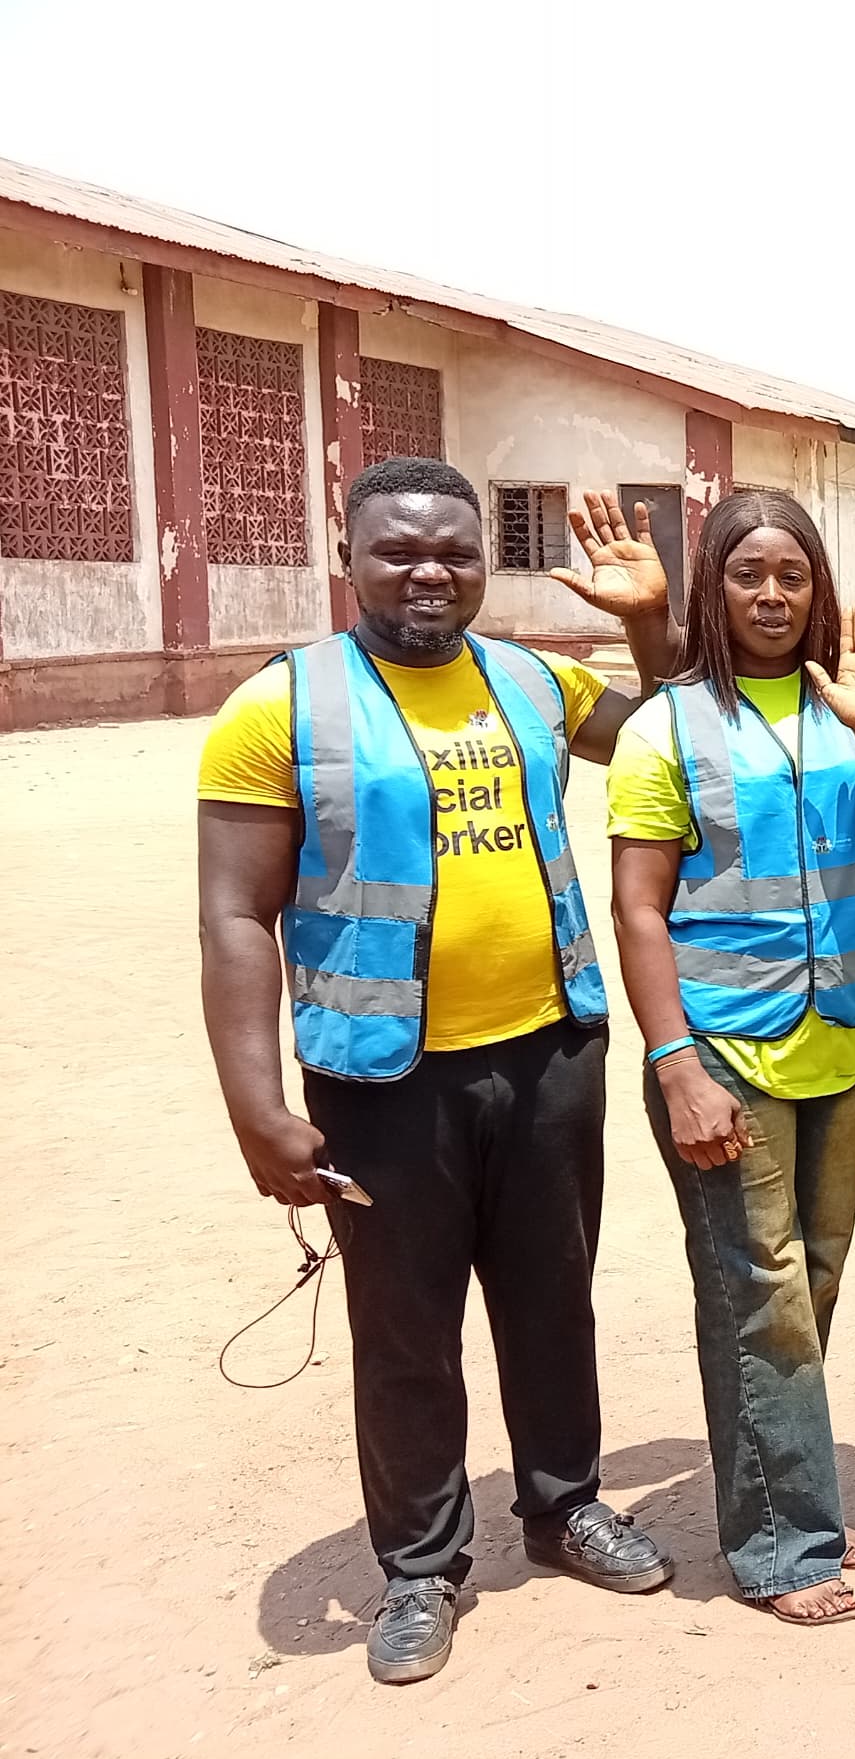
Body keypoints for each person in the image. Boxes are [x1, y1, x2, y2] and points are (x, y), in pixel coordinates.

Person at [197, 459, 681, 1685]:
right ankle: (420, 1566)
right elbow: (236, 913)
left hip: (550, 1048)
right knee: (406, 1328)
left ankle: (565, 1505)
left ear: (484, 561)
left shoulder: (533, 680)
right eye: (400, 550)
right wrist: (254, 1106)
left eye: (456, 552)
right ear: (347, 557)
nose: (430, 571)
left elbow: (674, 736)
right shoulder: (281, 706)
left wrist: (647, 621)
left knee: (552, 1299)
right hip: (381, 1078)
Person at [605, 490, 855, 1625]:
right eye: (748, 574)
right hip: (723, 1049)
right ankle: (783, 1544)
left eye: (793, 574)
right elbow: (638, 910)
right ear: (714, 586)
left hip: (843, 1040)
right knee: (762, 1292)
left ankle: (797, 1495)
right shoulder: (666, 726)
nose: (773, 595)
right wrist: (675, 1065)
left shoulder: (850, 706)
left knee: (814, 1276)